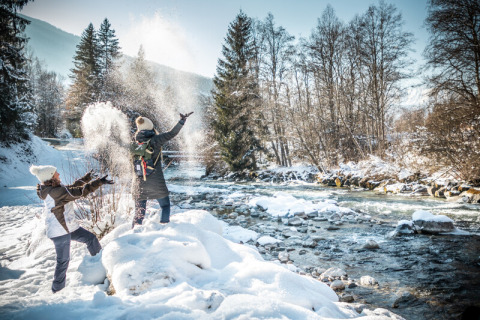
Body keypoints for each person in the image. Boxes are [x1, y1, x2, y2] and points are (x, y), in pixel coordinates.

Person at [30, 165, 114, 293]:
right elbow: (79, 192)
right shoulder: (55, 192)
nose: (58, 173)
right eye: (55, 173)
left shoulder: (52, 188)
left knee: (90, 239)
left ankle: (99, 269)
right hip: (59, 231)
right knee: (63, 261)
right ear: (51, 177)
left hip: (68, 227)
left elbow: (71, 188)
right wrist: (99, 182)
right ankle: (57, 291)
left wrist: (86, 178)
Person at [132, 112, 193, 227]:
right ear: (150, 127)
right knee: (165, 206)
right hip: (156, 182)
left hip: (138, 183)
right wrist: (181, 121)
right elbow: (171, 133)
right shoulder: (156, 140)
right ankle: (164, 229)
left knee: (139, 214)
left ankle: (134, 234)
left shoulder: (135, 143)